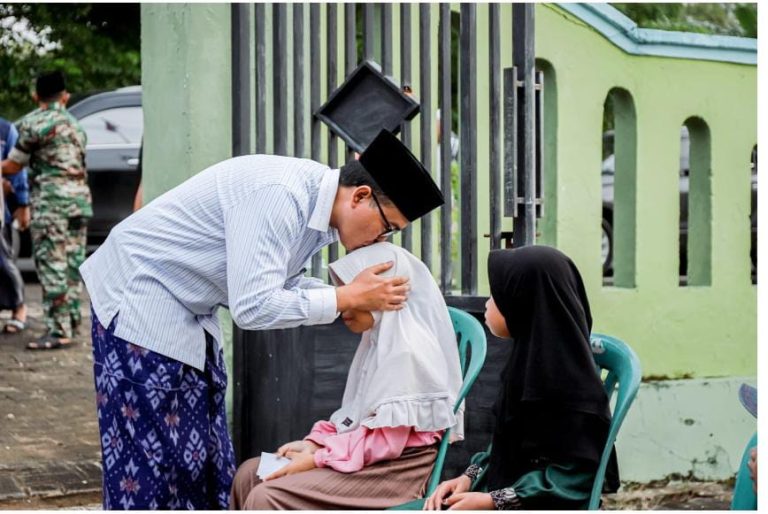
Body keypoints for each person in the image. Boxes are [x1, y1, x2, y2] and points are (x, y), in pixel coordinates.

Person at [79, 128, 445, 509]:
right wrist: (344, 297)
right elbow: (253, 305)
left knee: (202, 459)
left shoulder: (316, 211)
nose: (382, 241)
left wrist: (346, 299)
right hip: (140, 301)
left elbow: (279, 283)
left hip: (188, 311)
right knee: (153, 467)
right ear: (360, 196)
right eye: (388, 228)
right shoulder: (281, 196)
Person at [230, 242, 465, 509]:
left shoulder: (407, 354)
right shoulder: (377, 343)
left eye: (358, 297)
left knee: (266, 495)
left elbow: (386, 443)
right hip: (365, 456)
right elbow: (357, 418)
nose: (344, 307)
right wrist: (315, 443)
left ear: (387, 298)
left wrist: (318, 457)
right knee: (250, 473)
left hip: (393, 473)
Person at [425, 245, 619, 510]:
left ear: (524, 304)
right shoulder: (528, 366)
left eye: (497, 296)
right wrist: (468, 477)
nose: (487, 304)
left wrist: (492, 501)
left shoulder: (570, 388)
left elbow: (576, 478)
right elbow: (507, 446)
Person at [0, 71, 92, 349]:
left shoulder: (33, 123)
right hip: (80, 202)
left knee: (52, 264)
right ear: (65, 96)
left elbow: (13, 165)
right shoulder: (76, 125)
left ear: (35, 96)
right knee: (73, 263)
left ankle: (58, 330)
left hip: (52, 204)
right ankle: (72, 322)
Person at [0, 116, 30, 332]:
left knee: (3, 261)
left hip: (1, 209)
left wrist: (22, 203)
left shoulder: (5, 130)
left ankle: (19, 307)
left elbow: (17, 170)